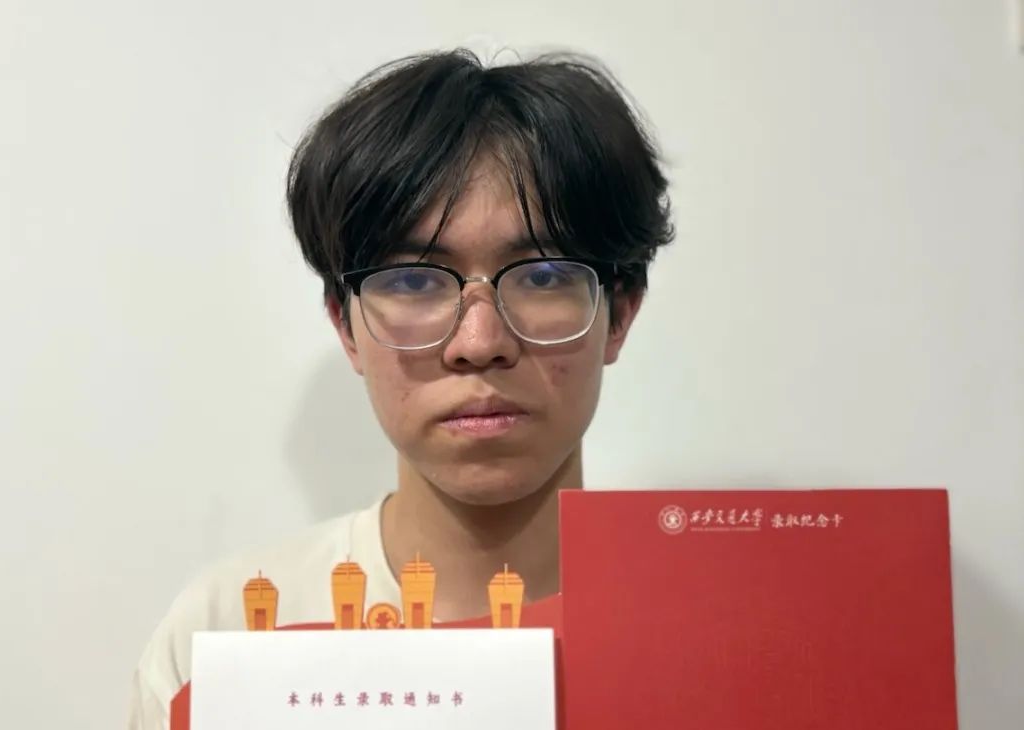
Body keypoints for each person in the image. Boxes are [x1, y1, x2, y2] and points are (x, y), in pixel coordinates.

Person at [127, 47, 674, 729]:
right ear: (346, 326)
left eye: (542, 275)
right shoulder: (221, 636)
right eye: (414, 280)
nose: (479, 342)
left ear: (619, 313)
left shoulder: (729, 630)